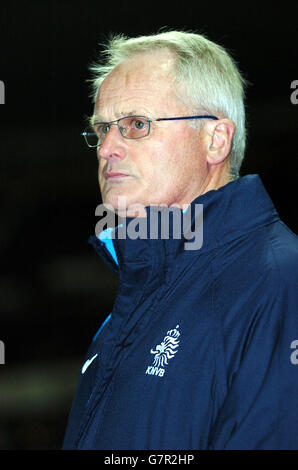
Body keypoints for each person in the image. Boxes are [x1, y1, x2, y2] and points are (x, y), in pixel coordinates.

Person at [63, 30, 298, 450]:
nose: (106, 148)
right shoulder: (130, 306)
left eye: (136, 125)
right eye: (102, 129)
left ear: (215, 140)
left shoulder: (279, 283)